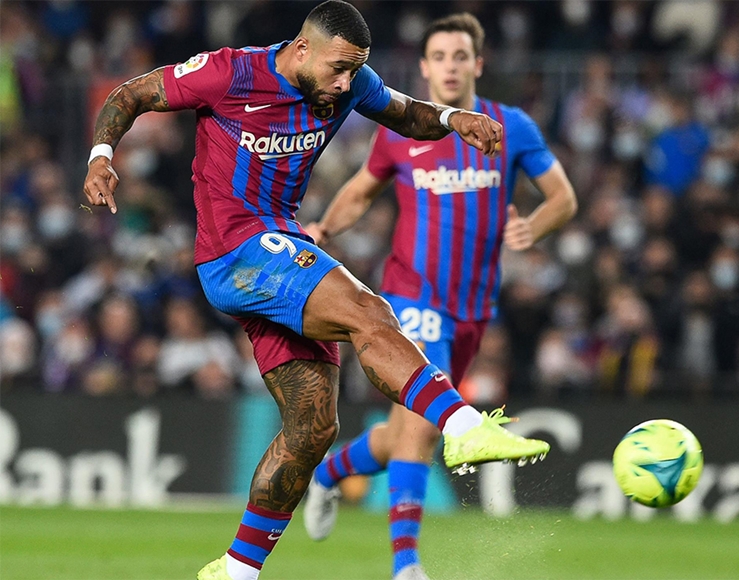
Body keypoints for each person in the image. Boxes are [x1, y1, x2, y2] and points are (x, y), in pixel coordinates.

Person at [80, 3, 551, 580]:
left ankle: (235, 570)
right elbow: (130, 94)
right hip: (236, 250)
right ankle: (462, 426)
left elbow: (408, 114)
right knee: (368, 311)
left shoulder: (348, 84)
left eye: (355, 70)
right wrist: (101, 158)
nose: (346, 83)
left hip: (277, 251)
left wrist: (456, 119)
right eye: (338, 69)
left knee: (313, 429)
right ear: (302, 49)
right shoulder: (229, 72)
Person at [302, 13, 577, 580]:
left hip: (472, 310)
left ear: (478, 64)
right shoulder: (401, 131)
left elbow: (563, 198)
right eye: (439, 57)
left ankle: (328, 474)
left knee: (401, 431)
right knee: (425, 427)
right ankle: (406, 565)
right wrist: (324, 228)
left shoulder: (511, 127)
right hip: (411, 297)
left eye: (460, 56)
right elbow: (361, 190)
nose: (450, 67)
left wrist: (535, 226)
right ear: (424, 69)